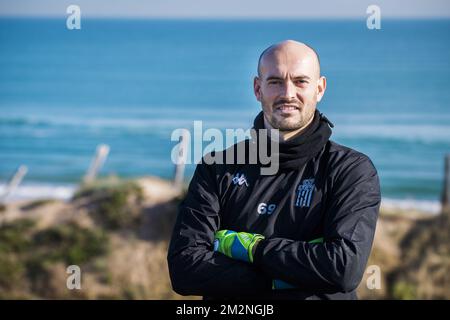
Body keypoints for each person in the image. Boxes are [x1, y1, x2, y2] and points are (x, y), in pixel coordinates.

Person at [167, 40, 381, 300]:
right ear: (258, 88)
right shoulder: (217, 167)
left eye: (300, 81)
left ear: (320, 88)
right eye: (275, 81)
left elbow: (343, 268)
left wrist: (251, 249)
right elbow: (184, 269)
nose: (288, 93)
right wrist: (294, 274)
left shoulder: (351, 170)